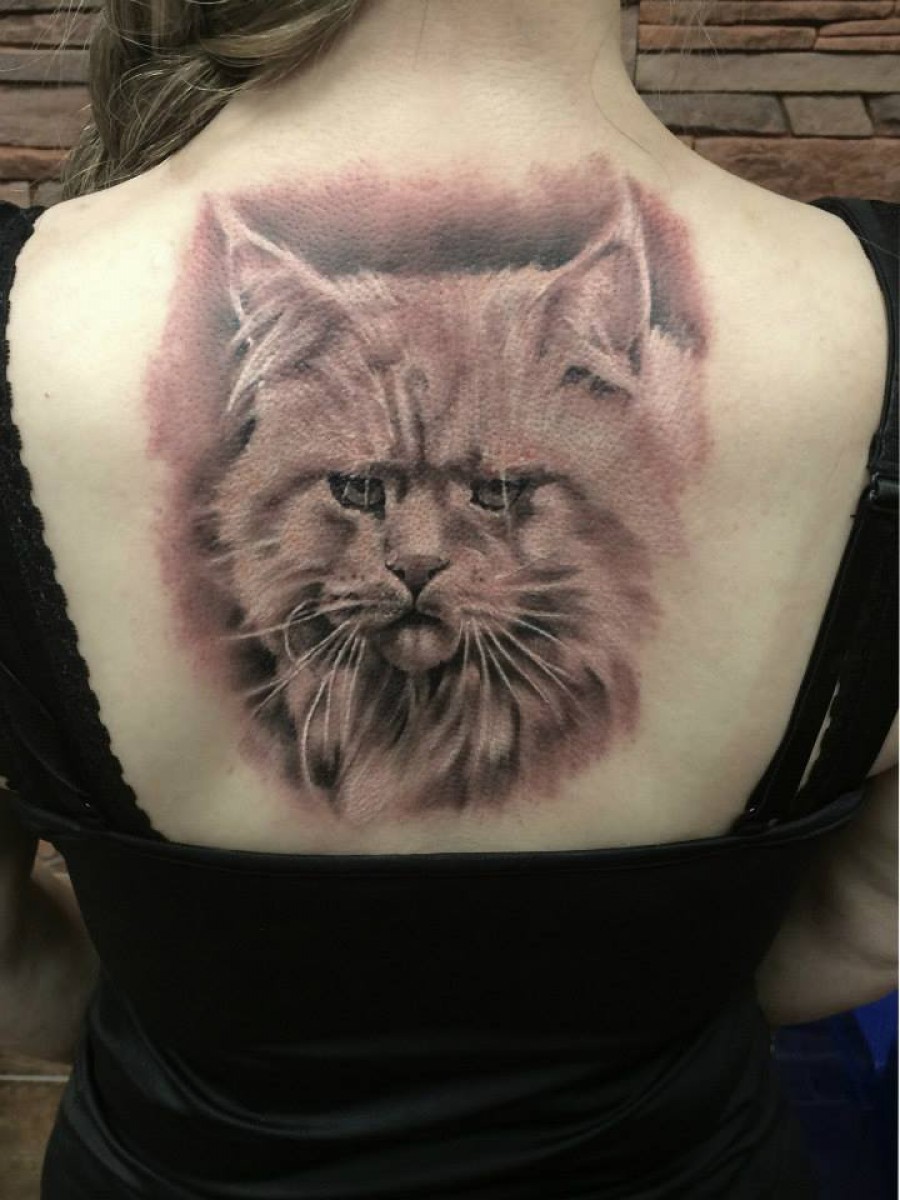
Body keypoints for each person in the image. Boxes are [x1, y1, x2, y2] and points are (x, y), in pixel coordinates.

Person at [0, 1, 895, 1196]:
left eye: (502, 492)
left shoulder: (31, 314)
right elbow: (874, 916)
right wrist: (662, 1025)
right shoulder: (867, 323)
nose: (418, 554)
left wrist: (183, 1035)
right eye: (362, 490)